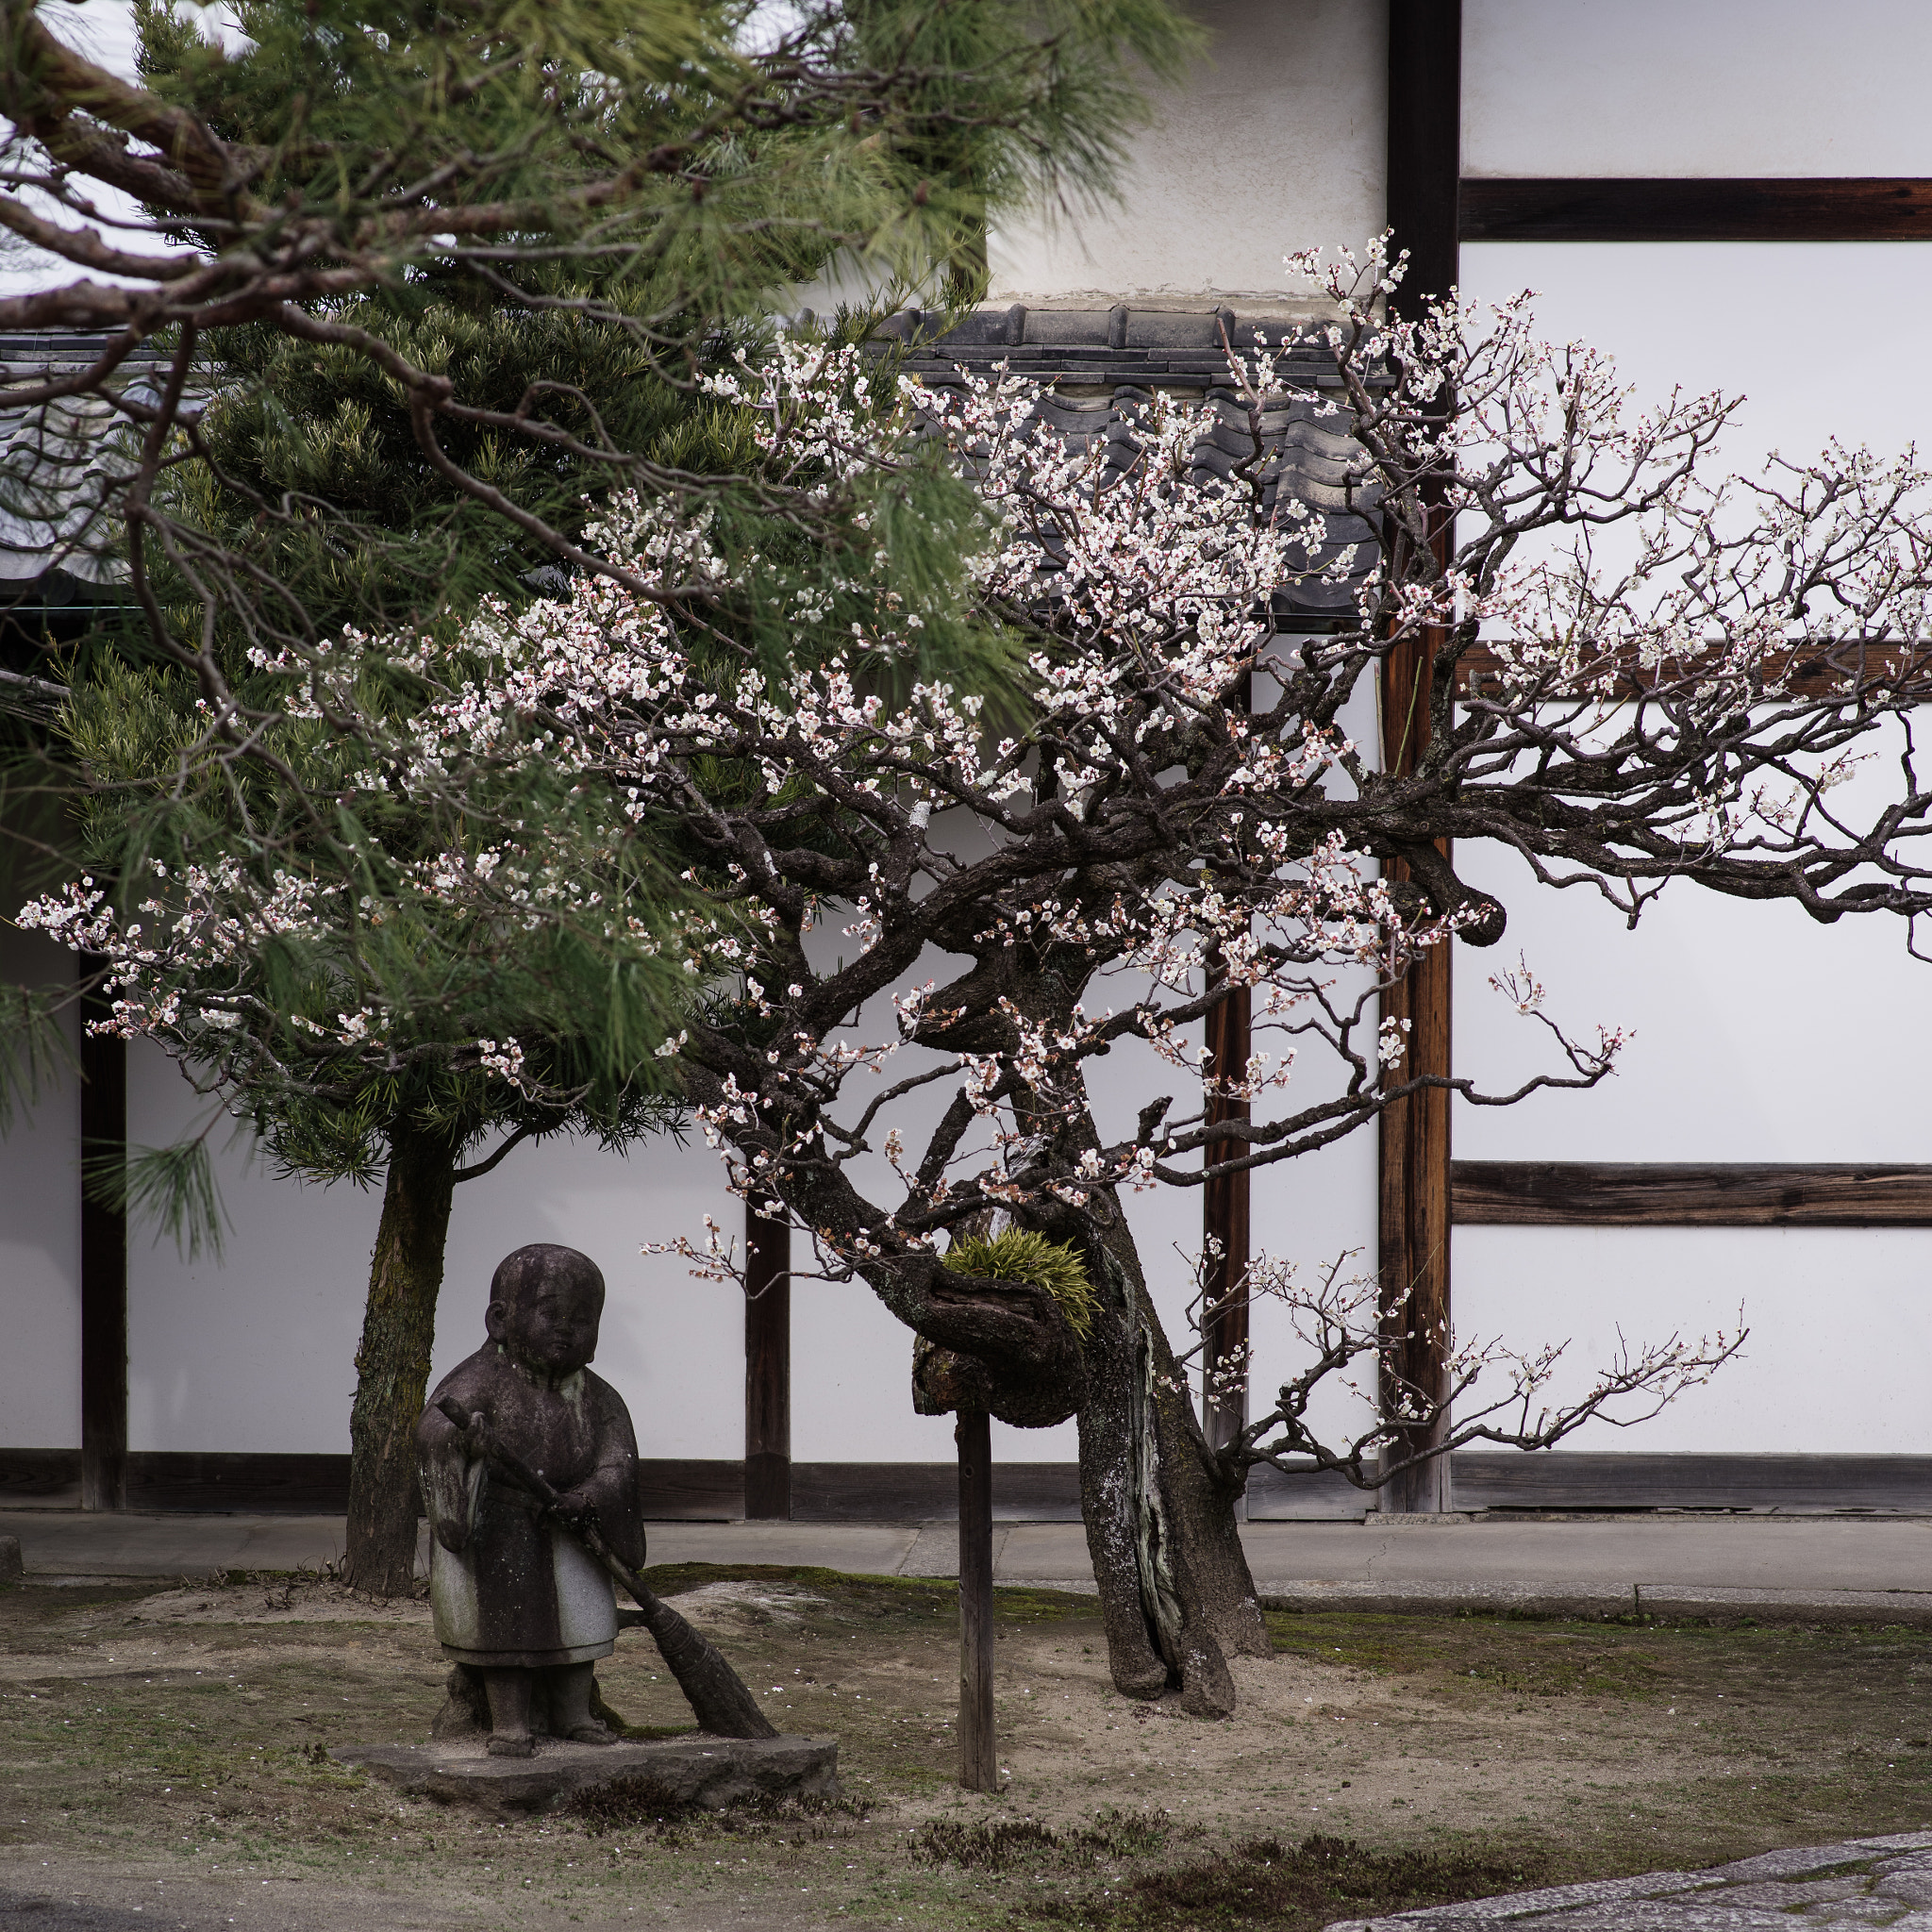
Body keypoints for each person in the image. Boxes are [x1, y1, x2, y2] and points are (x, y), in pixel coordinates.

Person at [416, 1243, 645, 1756]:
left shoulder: (601, 1398)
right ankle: (509, 1724)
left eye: (582, 1319)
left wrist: (586, 1497)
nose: (567, 1327)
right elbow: (433, 1429)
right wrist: (461, 1443)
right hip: (497, 1531)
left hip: (571, 1528)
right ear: (501, 1319)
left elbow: (619, 1465)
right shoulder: (481, 1378)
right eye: (550, 1313)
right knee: (505, 1635)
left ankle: (574, 1714)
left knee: (580, 1628)